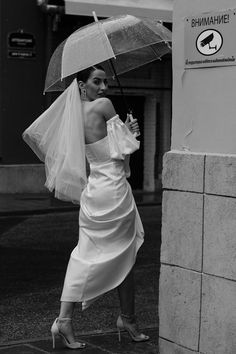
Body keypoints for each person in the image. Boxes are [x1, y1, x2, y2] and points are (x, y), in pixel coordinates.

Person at [23, 64, 149, 350]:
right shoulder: (104, 106)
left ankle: (72, 319)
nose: (103, 88)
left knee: (88, 253)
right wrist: (132, 133)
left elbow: (101, 152)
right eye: (97, 81)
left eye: (105, 82)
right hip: (114, 193)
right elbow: (125, 157)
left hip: (93, 194)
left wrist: (125, 136)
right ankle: (124, 318)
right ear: (82, 85)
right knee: (123, 254)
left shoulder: (72, 119)